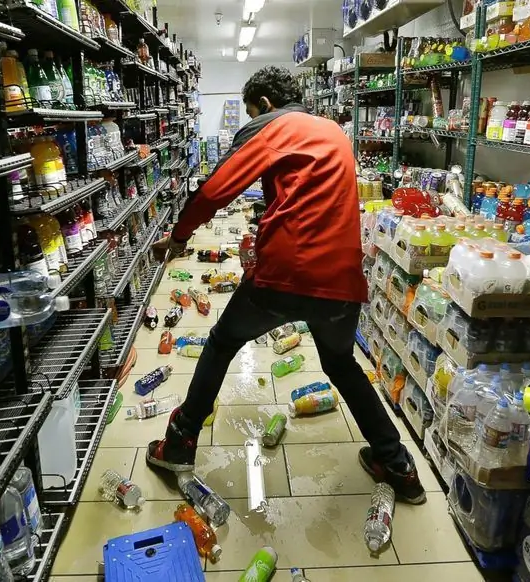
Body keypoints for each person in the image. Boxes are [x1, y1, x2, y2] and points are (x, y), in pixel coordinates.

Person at [146, 66, 425, 504]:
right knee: (340, 364)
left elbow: (215, 190)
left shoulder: (274, 127)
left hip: (285, 275)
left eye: (251, 110)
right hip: (342, 280)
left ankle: (178, 444)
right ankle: (399, 467)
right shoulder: (332, 130)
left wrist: (180, 237)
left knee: (222, 342)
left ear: (265, 105)